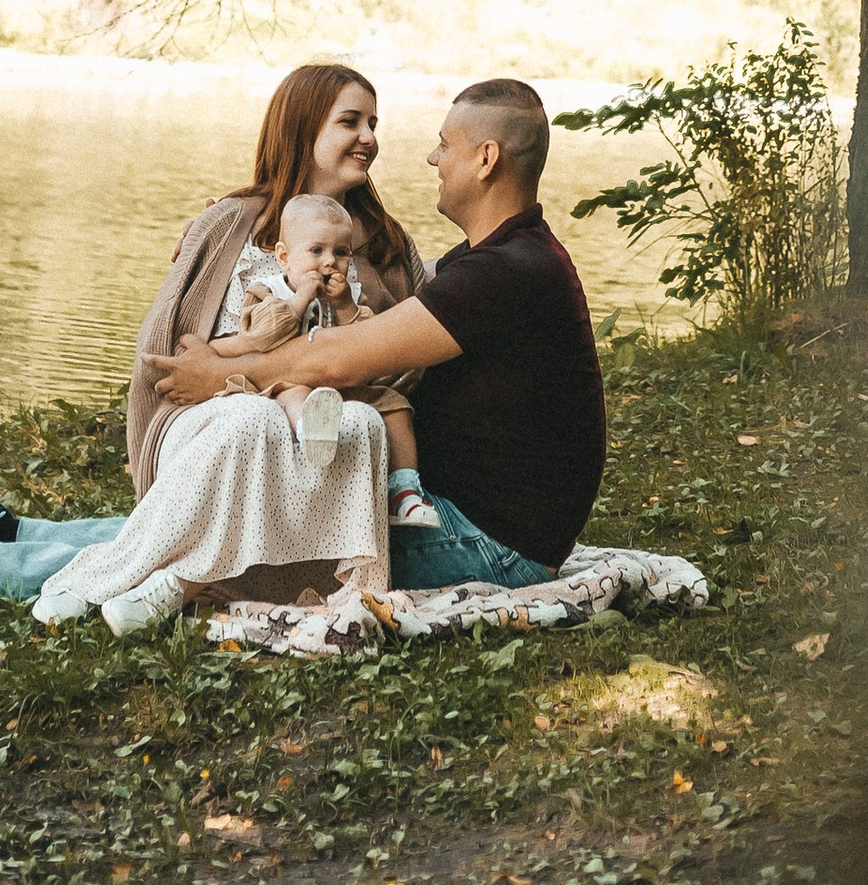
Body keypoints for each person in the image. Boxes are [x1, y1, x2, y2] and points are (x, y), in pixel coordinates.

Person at [0, 62, 425, 626]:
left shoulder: (387, 245)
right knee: (246, 426)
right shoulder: (230, 223)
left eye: (373, 124)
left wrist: (261, 367)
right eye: (350, 121)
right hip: (214, 424)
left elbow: (420, 336)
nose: (369, 138)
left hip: (310, 439)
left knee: (270, 444)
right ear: (301, 128)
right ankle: (1, 537)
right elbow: (166, 347)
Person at [149, 76, 605, 591]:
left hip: (490, 545)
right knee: (233, 520)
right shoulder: (501, 260)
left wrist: (217, 374)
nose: (432, 159)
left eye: (444, 145)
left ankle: (139, 569)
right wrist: (225, 224)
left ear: (486, 159)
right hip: (472, 521)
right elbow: (408, 292)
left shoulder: (506, 271)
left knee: (244, 541)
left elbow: (336, 359)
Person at [223, 184, 437, 520]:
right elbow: (261, 337)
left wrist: (345, 306)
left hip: (339, 384)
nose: (329, 262)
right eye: (316, 250)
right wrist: (299, 301)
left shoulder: (347, 294)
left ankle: (404, 492)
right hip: (287, 381)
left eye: (341, 252)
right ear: (283, 256)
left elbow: (365, 342)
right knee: (297, 393)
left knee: (395, 406)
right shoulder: (267, 291)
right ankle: (312, 434)